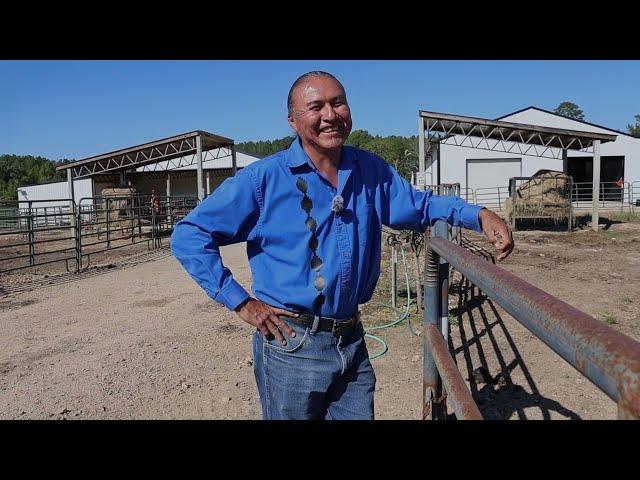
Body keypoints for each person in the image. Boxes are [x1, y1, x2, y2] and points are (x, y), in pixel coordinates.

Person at [170, 71, 514, 420]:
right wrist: (242, 302)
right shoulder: (265, 179)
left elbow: (420, 206)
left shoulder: (370, 171)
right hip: (293, 343)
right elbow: (189, 235)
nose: (330, 115)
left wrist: (477, 215)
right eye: (315, 107)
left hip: (351, 338)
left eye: (338, 103)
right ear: (292, 121)